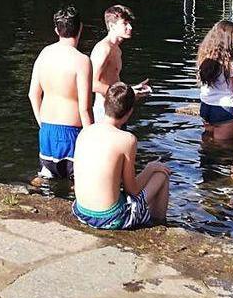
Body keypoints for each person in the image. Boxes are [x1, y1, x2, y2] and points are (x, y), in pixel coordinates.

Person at [72, 83, 171, 230]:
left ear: (105, 104)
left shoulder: (85, 131)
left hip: (80, 211)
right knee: (161, 175)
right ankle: (159, 224)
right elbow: (133, 189)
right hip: (110, 219)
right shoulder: (127, 139)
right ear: (129, 112)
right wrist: (150, 168)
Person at [28, 6, 94, 180]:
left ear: (56, 29)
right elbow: (85, 108)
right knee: (80, 183)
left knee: (46, 179)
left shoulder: (44, 54)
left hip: (47, 131)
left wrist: (41, 123)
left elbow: (33, 94)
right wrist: (92, 138)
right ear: (81, 28)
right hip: (72, 133)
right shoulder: (82, 61)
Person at [91, 5, 150, 122]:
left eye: (130, 23)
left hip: (117, 108)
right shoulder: (104, 49)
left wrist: (131, 90)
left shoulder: (117, 49)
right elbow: (92, 84)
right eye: (125, 23)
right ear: (112, 26)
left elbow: (113, 81)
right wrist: (125, 94)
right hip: (104, 111)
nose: (130, 27)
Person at [195, 20, 233, 144]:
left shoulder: (204, 55)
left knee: (207, 144)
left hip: (206, 107)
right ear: (228, 37)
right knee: (225, 150)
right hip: (225, 110)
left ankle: (203, 163)